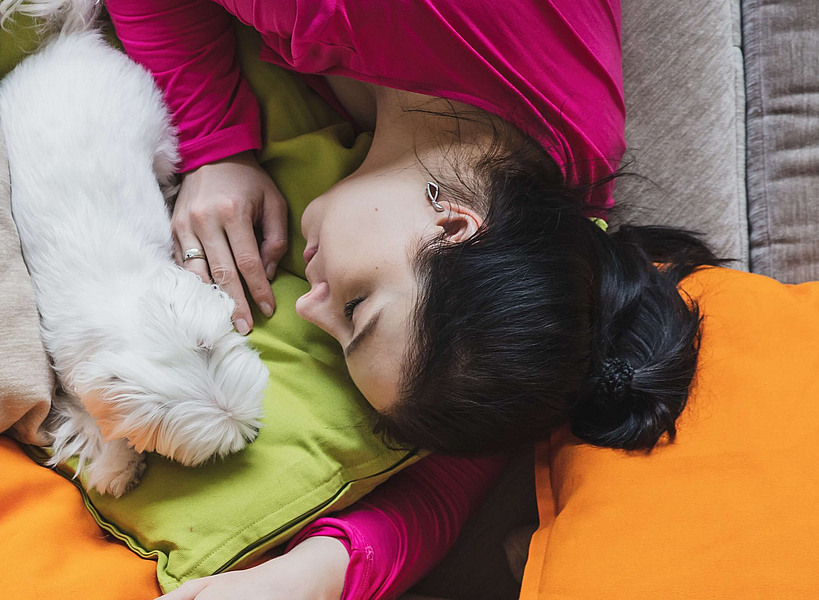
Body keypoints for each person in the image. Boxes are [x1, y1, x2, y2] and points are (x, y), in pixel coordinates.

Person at [108, 1, 722, 598]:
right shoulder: (348, 13)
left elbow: (453, 477)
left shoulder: (542, 231)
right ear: (453, 225)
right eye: (355, 309)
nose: (308, 308)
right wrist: (215, 143)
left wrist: (314, 575)